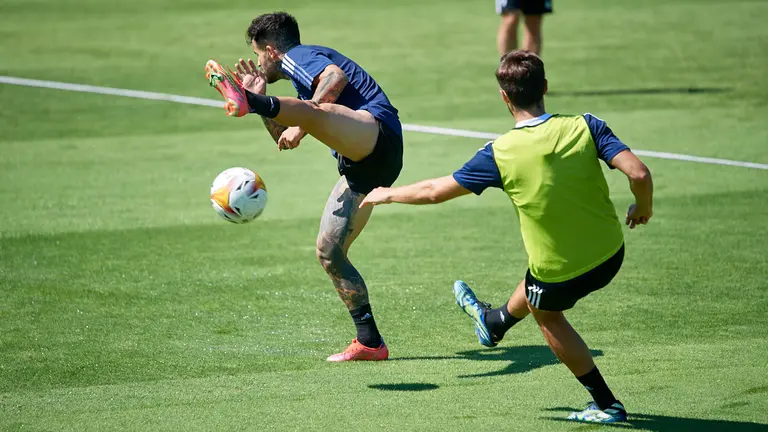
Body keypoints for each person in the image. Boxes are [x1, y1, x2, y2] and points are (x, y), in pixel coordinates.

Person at [359, 50, 654, 423]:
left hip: (560, 270)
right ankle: (494, 322)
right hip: (611, 252)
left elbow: (435, 190)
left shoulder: (498, 153)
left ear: (504, 97)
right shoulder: (586, 125)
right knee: (535, 281)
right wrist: (642, 207)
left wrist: (386, 193)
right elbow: (639, 174)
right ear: (545, 87)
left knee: (546, 312)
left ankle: (607, 404)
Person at [205, 12, 403, 362]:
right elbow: (284, 139)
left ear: (269, 50)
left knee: (311, 112)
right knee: (329, 253)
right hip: (363, 169)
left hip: (376, 133)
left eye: (258, 54)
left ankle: (246, 102)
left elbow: (334, 77)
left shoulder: (297, 57)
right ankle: (370, 342)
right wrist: (262, 98)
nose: (260, 63)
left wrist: (298, 114)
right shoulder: (299, 86)